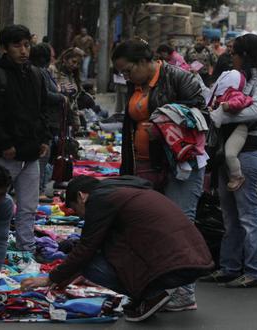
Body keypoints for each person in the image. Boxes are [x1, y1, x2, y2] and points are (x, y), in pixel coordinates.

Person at [20, 176, 213, 322]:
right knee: (105, 249)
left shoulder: (99, 200)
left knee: (92, 265)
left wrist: (50, 278)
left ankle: (151, 294)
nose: (80, 217)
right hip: (194, 261)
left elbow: (87, 248)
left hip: (174, 266)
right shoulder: (123, 191)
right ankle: (154, 291)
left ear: (81, 196)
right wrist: (66, 276)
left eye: (76, 210)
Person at [114, 38, 207, 310]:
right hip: (144, 166)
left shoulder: (179, 78)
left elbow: (202, 116)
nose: (126, 76)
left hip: (180, 166)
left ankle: (184, 293)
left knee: (180, 226)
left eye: (128, 70)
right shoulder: (137, 83)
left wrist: (167, 124)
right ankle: (158, 289)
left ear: (144, 61)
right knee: (149, 228)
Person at [200, 34, 257, 288]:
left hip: (248, 152)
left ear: (246, 55)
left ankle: (255, 271)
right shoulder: (244, 81)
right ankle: (230, 267)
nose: (230, 57)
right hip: (229, 153)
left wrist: (222, 115)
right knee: (230, 216)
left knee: (248, 215)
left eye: (235, 52)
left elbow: (256, 111)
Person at [0, 24, 50, 252]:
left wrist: (44, 139)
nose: (23, 50)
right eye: (17, 45)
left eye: (26, 45)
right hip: (3, 155)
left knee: (28, 206)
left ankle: (25, 249)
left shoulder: (36, 74)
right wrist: (5, 144)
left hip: (30, 154)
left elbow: (43, 110)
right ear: (5, 48)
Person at [30, 42, 67, 197]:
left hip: (51, 120)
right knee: (42, 156)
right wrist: (61, 97)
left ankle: (41, 188)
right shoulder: (38, 72)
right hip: (45, 120)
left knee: (46, 156)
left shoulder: (44, 72)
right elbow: (44, 94)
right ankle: (38, 190)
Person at [209, 70, 254, 191]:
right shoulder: (219, 96)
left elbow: (238, 102)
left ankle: (237, 176)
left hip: (238, 129)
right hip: (225, 129)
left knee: (230, 154)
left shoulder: (234, 93)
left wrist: (228, 105)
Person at [50, 47, 84, 131]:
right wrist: (60, 89)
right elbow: (44, 91)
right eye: (73, 61)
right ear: (65, 59)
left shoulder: (73, 77)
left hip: (66, 120)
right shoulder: (51, 70)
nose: (75, 65)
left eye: (78, 63)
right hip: (52, 119)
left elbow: (73, 102)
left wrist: (76, 122)